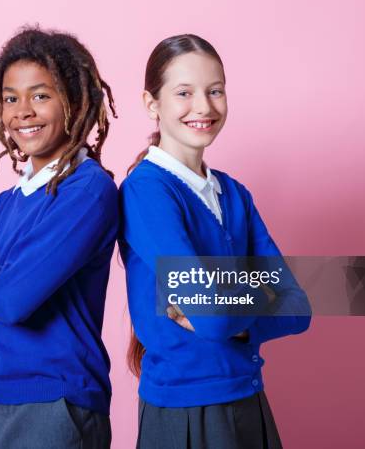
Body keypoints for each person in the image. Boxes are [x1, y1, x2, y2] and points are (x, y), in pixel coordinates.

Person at [119, 34, 311, 449]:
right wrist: (251, 298)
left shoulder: (234, 193)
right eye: (184, 92)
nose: (204, 106)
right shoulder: (146, 192)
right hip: (185, 410)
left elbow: (298, 307)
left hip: (248, 396)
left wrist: (234, 321)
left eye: (216, 91)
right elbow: (213, 316)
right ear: (152, 104)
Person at [0, 26, 118, 449]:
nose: (23, 110)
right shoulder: (8, 202)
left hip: (57, 406)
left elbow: (12, 300)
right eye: (10, 97)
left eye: (41, 95)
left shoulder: (87, 191)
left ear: (74, 102)